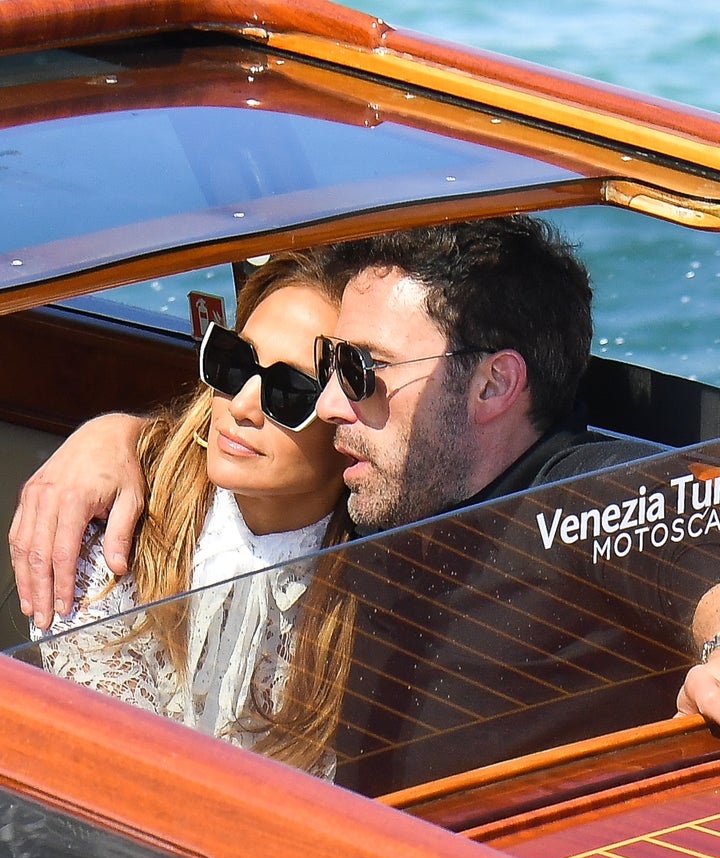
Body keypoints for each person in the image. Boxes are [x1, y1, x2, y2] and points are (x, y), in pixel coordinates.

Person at [11, 218, 720, 785]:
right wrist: (117, 437)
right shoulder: (383, 496)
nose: (327, 404)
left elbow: (688, 543)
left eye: (361, 369)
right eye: (331, 370)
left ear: (492, 386)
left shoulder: (583, 494)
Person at [25, 248, 356, 778]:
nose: (242, 405)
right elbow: (111, 771)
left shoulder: (386, 571)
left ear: (350, 420)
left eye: (290, 390)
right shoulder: (120, 523)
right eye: (234, 361)